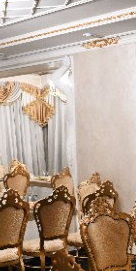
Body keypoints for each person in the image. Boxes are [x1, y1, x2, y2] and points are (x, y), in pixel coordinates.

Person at [49, 56, 77, 184]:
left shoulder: (80, 94)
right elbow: (54, 78)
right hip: (71, 135)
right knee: (72, 166)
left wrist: (66, 67)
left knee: (76, 168)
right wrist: (66, 66)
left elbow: (55, 79)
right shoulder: (70, 92)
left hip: (77, 135)